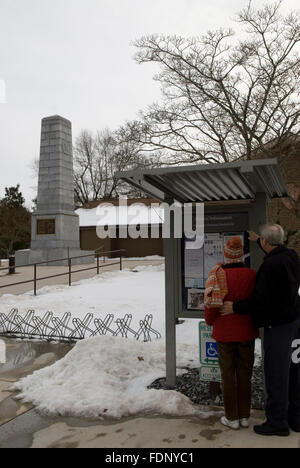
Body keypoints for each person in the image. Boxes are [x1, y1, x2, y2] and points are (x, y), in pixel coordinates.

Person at [221, 224, 300, 436]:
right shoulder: (291, 256)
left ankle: (277, 423)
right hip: (295, 323)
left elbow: (261, 301)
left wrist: (235, 307)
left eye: (262, 241)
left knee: (276, 374)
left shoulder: (270, 266)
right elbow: (276, 255)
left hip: (279, 327)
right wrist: (257, 240)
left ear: (266, 242)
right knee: (294, 371)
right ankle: (295, 417)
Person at [204, 236, 259, 430]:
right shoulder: (252, 275)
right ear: (241, 253)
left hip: (225, 333)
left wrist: (210, 320)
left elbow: (211, 305)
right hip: (246, 332)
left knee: (227, 375)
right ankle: (245, 416)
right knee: (245, 373)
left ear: (226, 254)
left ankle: (231, 417)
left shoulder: (217, 274)